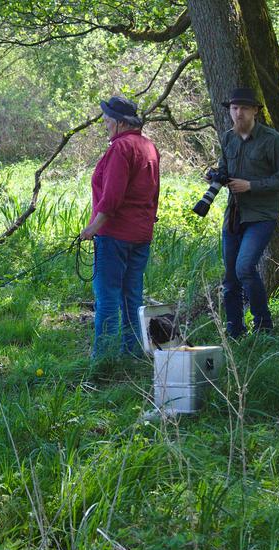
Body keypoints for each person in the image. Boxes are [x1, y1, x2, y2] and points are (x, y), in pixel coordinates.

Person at [80, 96, 160, 359]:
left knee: (107, 299)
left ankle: (102, 359)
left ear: (118, 122)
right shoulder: (149, 146)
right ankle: (132, 354)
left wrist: (93, 227)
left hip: (114, 235)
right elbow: (153, 192)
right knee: (132, 298)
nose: (104, 123)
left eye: (107, 119)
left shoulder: (120, 149)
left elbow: (112, 197)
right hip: (141, 235)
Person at [215, 88, 279, 338]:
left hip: (261, 215)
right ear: (229, 111)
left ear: (255, 111)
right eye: (234, 108)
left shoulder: (272, 140)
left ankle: (263, 327)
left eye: (244, 108)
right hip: (235, 216)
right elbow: (224, 168)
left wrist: (251, 185)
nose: (239, 113)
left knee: (245, 268)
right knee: (230, 279)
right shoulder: (228, 138)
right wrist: (215, 177)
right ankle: (235, 331)